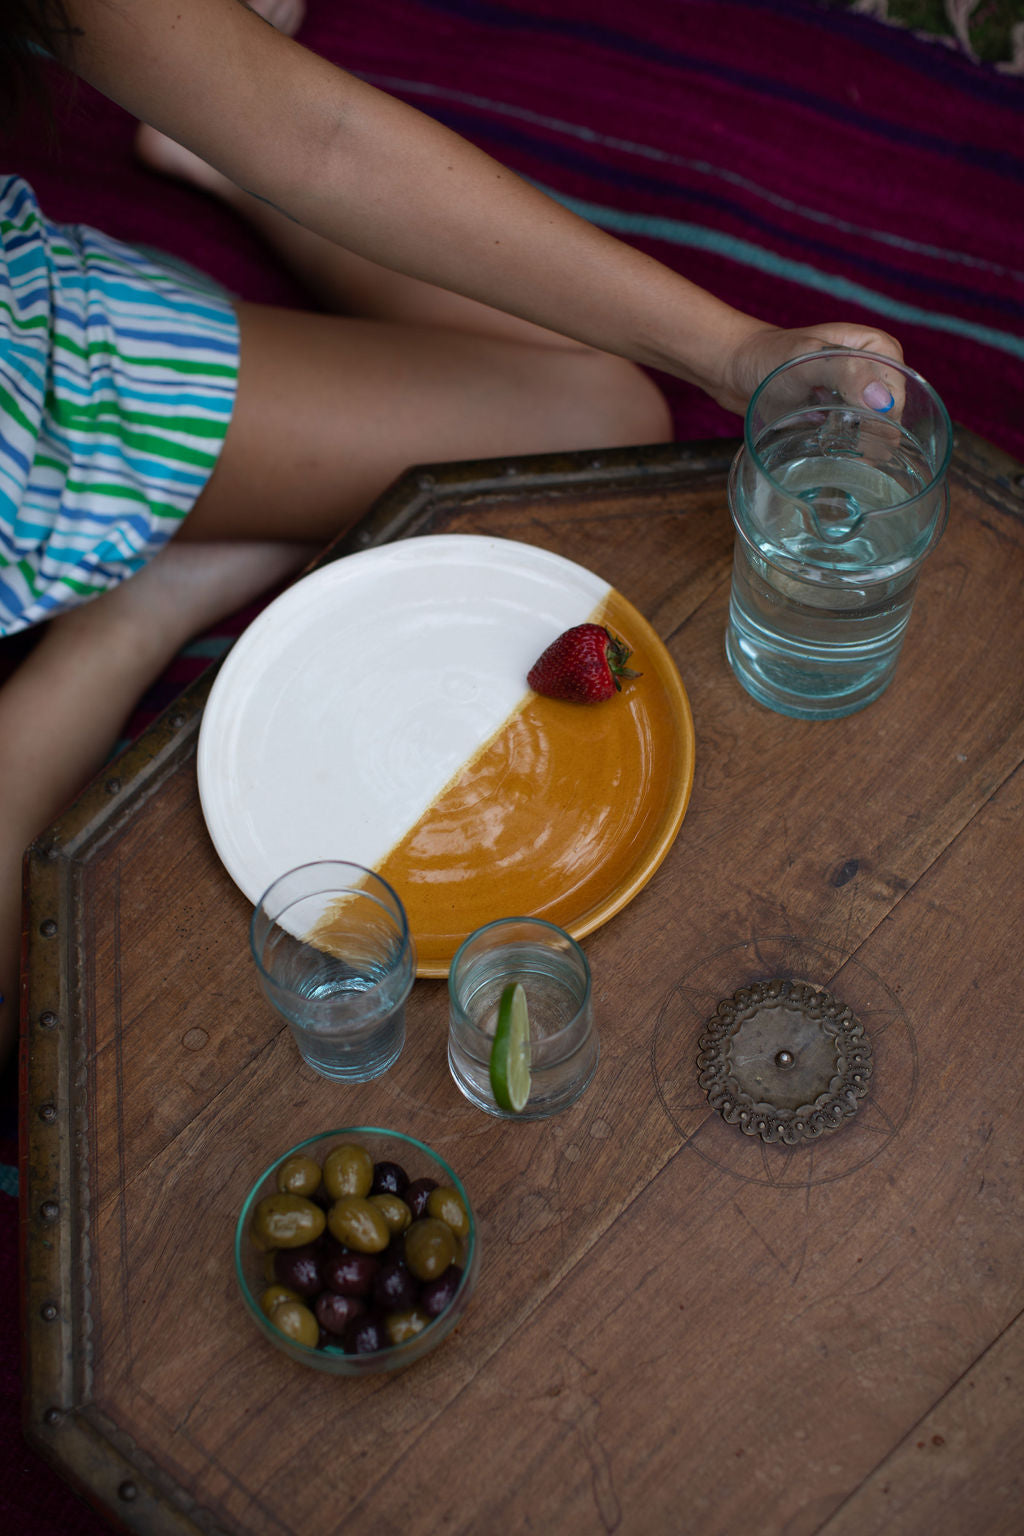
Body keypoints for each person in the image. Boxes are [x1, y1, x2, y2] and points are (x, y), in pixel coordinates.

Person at [0, 0, 903, 1062]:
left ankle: (213, 158)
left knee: (603, 421)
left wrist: (737, 350)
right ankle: (130, 620)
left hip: (37, 362)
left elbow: (317, 136)